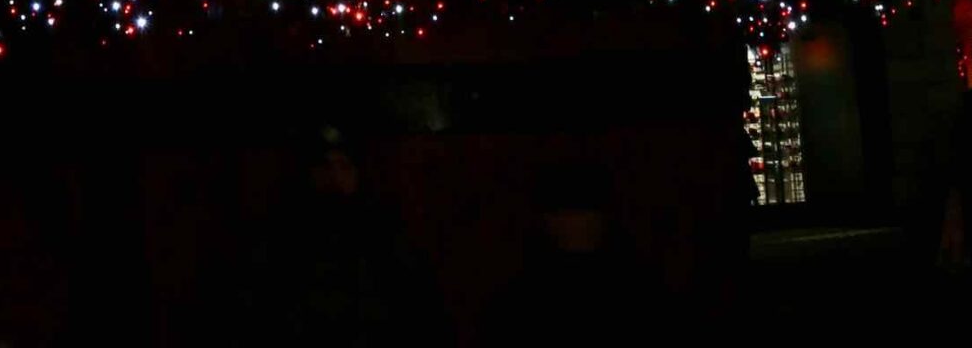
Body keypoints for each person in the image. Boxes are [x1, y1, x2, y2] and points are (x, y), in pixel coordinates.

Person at [232, 124, 451, 347]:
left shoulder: (384, 237)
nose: (334, 176)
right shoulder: (281, 240)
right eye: (325, 166)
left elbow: (417, 309)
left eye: (344, 166)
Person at [480, 159, 663, 339]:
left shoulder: (640, 291)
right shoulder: (516, 298)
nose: (577, 223)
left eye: (585, 212)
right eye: (566, 213)